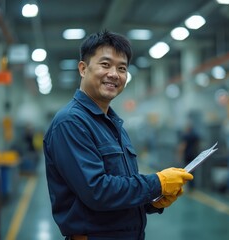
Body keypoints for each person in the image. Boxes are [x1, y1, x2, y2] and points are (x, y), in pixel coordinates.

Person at [43, 30, 193, 240]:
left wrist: (151, 201)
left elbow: (121, 186)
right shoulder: (71, 122)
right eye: (105, 64)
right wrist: (156, 183)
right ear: (83, 69)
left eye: (122, 68)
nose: (114, 74)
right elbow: (97, 191)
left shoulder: (113, 124)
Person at [177, 122, 200, 190]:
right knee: (193, 171)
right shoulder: (195, 136)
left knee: (187, 170)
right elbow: (198, 145)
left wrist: (179, 155)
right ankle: (193, 186)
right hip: (194, 155)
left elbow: (183, 146)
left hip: (187, 155)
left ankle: (188, 186)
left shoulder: (185, 136)